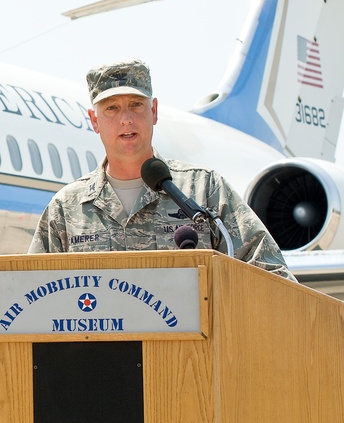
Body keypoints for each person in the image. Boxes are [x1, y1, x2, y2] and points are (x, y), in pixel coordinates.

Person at [28, 58, 294, 279]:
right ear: (94, 121)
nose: (126, 119)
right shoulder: (66, 208)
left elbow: (272, 275)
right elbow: (31, 292)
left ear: (153, 111)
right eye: (112, 109)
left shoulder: (203, 190)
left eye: (136, 105)